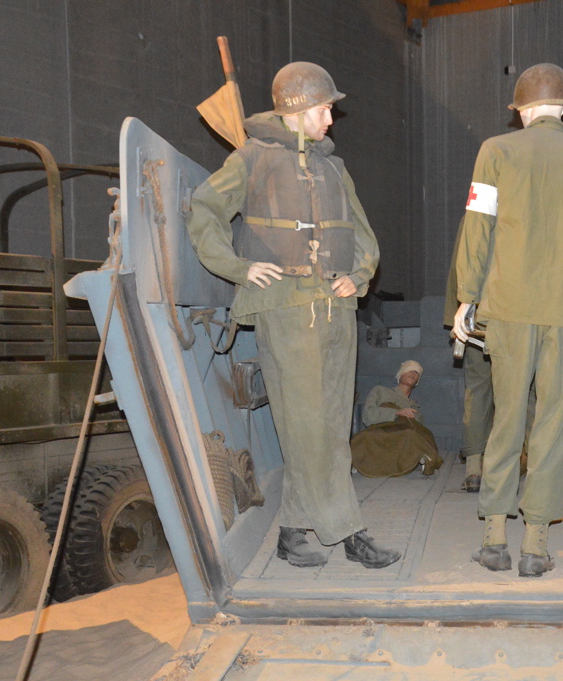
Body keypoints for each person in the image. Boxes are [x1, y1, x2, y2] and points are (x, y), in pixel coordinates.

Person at [185, 62, 400, 570]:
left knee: (328, 426)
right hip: (287, 308)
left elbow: (363, 236)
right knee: (305, 426)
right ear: (300, 109)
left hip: (337, 309)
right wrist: (237, 266)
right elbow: (205, 209)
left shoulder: (334, 168)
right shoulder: (253, 158)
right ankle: (349, 531)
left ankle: (290, 531)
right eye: (325, 109)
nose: (331, 118)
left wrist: (360, 275)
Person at [453, 63, 563, 578]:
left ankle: (494, 539)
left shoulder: (496, 153)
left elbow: (478, 228)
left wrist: (466, 297)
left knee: (508, 420)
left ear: (522, 109)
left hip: (509, 309)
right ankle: (536, 547)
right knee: (554, 427)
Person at [444, 218, 494, 493]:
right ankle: (511, 468)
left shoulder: (477, 212)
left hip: (477, 319)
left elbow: (460, 265)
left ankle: (474, 468)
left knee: (477, 392)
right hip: (518, 321)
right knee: (520, 395)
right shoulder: (530, 200)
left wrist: (458, 312)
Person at [351, 360, 443, 478]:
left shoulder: (414, 407)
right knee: (361, 438)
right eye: (409, 370)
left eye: (416, 373)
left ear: (417, 382)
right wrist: (396, 412)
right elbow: (368, 416)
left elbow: (417, 428)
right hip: (380, 432)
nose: (413, 374)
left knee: (410, 435)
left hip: (402, 435)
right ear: (400, 374)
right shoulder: (380, 391)